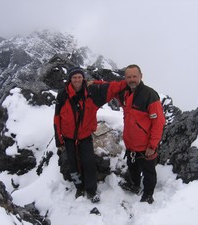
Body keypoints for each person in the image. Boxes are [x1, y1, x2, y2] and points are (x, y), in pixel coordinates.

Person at [53, 67, 126, 203]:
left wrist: (127, 81)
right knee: (73, 164)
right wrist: (59, 140)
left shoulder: (92, 92)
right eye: (74, 77)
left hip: (85, 136)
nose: (77, 80)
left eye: (79, 77)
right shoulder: (63, 95)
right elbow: (57, 118)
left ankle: (91, 190)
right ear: (70, 79)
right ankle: (79, 187)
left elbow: (111, 87)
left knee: (89, 162)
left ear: (83, 78)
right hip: (69, 138)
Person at [116, 64, 165, 204]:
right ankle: (135, 186)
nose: (132, 79)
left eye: (134, 76)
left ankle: (148, 194)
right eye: (129, 77)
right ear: (125, 78)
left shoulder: (149, 95)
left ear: (141, 76)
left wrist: (153, 145)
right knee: (133, 167)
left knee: (148, 172)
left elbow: (158, 122)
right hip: (131, 144)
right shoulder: (125, 93)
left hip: (146, 146)